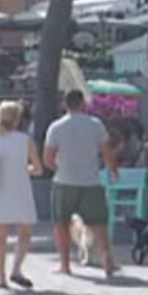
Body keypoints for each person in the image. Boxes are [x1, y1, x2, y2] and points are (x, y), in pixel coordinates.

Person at [44, 90, 118, 278]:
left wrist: (58, 168)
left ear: (65, 105)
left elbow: (48, 158)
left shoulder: (56, 127)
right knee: (99, 222)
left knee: (61, 223)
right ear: (83, 104)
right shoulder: (95, 124)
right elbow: (107, 151)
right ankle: (106, 257)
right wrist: (112, 169)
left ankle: (65, 264)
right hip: (91, 180)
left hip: (64, 181)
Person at [0, 101, 42, 290]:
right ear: (17, 119)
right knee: (25, 232)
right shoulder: (25, 140)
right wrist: (25, 169)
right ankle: (16, 269)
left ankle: (1, 277)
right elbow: (38, 169)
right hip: (21, 189)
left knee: (0, 236)